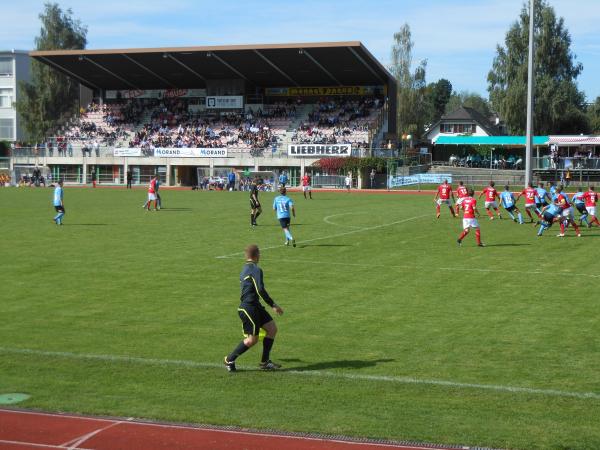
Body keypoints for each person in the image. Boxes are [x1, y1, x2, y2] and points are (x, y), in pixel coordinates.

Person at [224, 244, 284, 372]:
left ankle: (265, 362)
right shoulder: (255, 269)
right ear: (256, 255)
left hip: (255, 306)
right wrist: (273, 305)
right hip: (249, 308)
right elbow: (260, 289)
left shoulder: (245, 268)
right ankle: (229, 359)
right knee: (252, 339)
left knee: (272, 329)